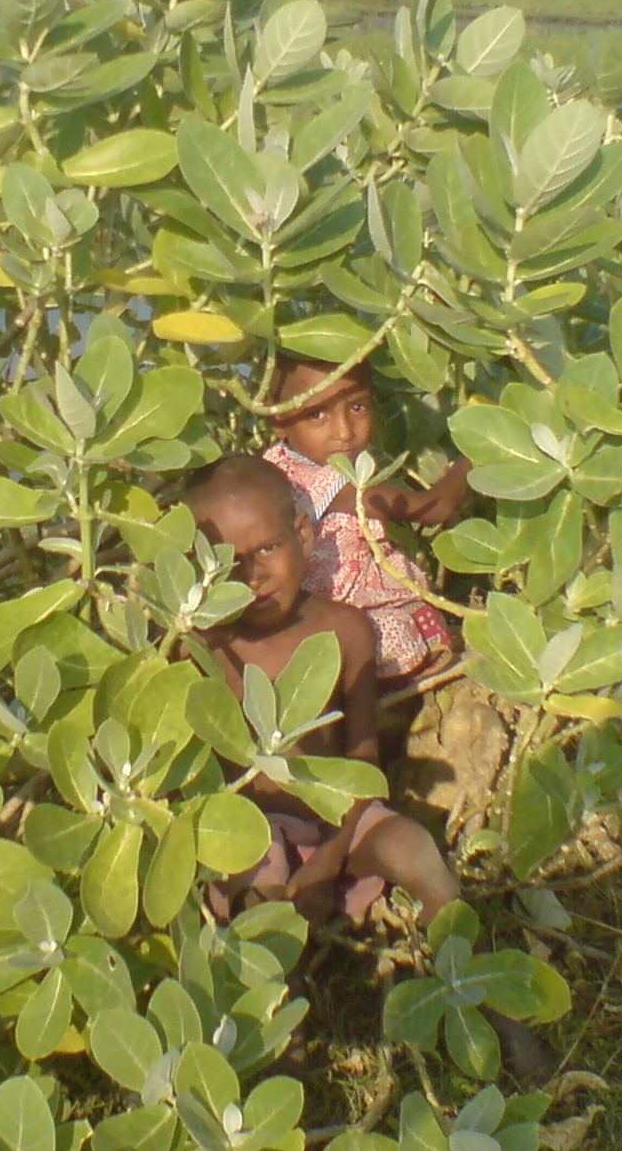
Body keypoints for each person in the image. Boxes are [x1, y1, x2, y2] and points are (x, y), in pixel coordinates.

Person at [181, 456, 545, 1077]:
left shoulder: (346, 631)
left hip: (339, 819)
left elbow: (362, 756)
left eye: (267, 547)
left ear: (304, 534)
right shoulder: (209, 650)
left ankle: (500, 1014)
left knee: (417, 853)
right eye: (229, 564)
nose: (254, 576)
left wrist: (332, 853)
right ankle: (281, 1064)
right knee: (262, 889)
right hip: (251, 829)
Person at [261, 358, 468, 692]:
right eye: (317, 414)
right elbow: (436, 508)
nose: (344, 432)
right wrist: (471, 460)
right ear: (278, 417)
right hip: (348, 615)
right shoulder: (339, 487)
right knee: (402, 630)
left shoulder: (274, 466)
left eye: (357, 407)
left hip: (301, 616)